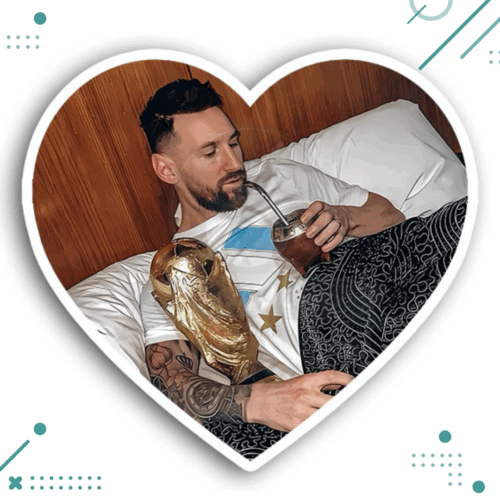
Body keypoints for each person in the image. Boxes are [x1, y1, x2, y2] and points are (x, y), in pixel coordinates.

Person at [138, 79, 466, 458]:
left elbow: (392, 218)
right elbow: (171, 384)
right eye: (210, 152)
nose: (234, 163)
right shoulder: (172, 274)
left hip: (390, 257)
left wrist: (345, 217)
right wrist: (257, 402)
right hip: (331, 320)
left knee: (465, 217)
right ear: (167, 169)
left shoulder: (278, 174)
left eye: (233, 143)